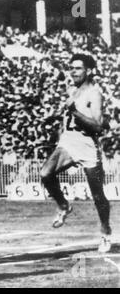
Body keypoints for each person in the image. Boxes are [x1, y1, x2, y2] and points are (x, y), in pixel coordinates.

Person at [40, 54, 112, 253]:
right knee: (45, 173)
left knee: (98, 195)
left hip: (87, 143)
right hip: (69, 140)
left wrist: (75, 112)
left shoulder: (94, 93)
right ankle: (63, 206)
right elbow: (68, 116)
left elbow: (97, 126)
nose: (73, 71)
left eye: (78, 68)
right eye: (71, 68)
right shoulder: (72, 90)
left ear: (88, 71)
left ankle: (105, 231)